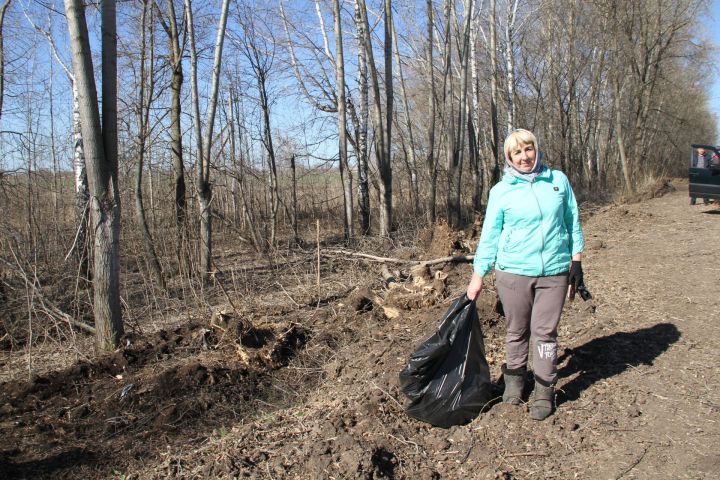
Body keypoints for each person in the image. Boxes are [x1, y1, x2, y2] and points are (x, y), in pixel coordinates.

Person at [466, 129, 585, 421]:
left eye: (528, 149)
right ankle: (515, 382)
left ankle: (544, 389)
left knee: (545, 335)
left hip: (554, 272)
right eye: (517, 152)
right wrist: (478, 274)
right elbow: (490, 235)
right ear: (509, 158)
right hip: (513, 273)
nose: (524, 156)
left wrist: (576, 261)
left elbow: (572, 220)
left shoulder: (558, 181)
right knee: (517, 330)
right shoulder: (501, 191)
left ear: (536, 149)